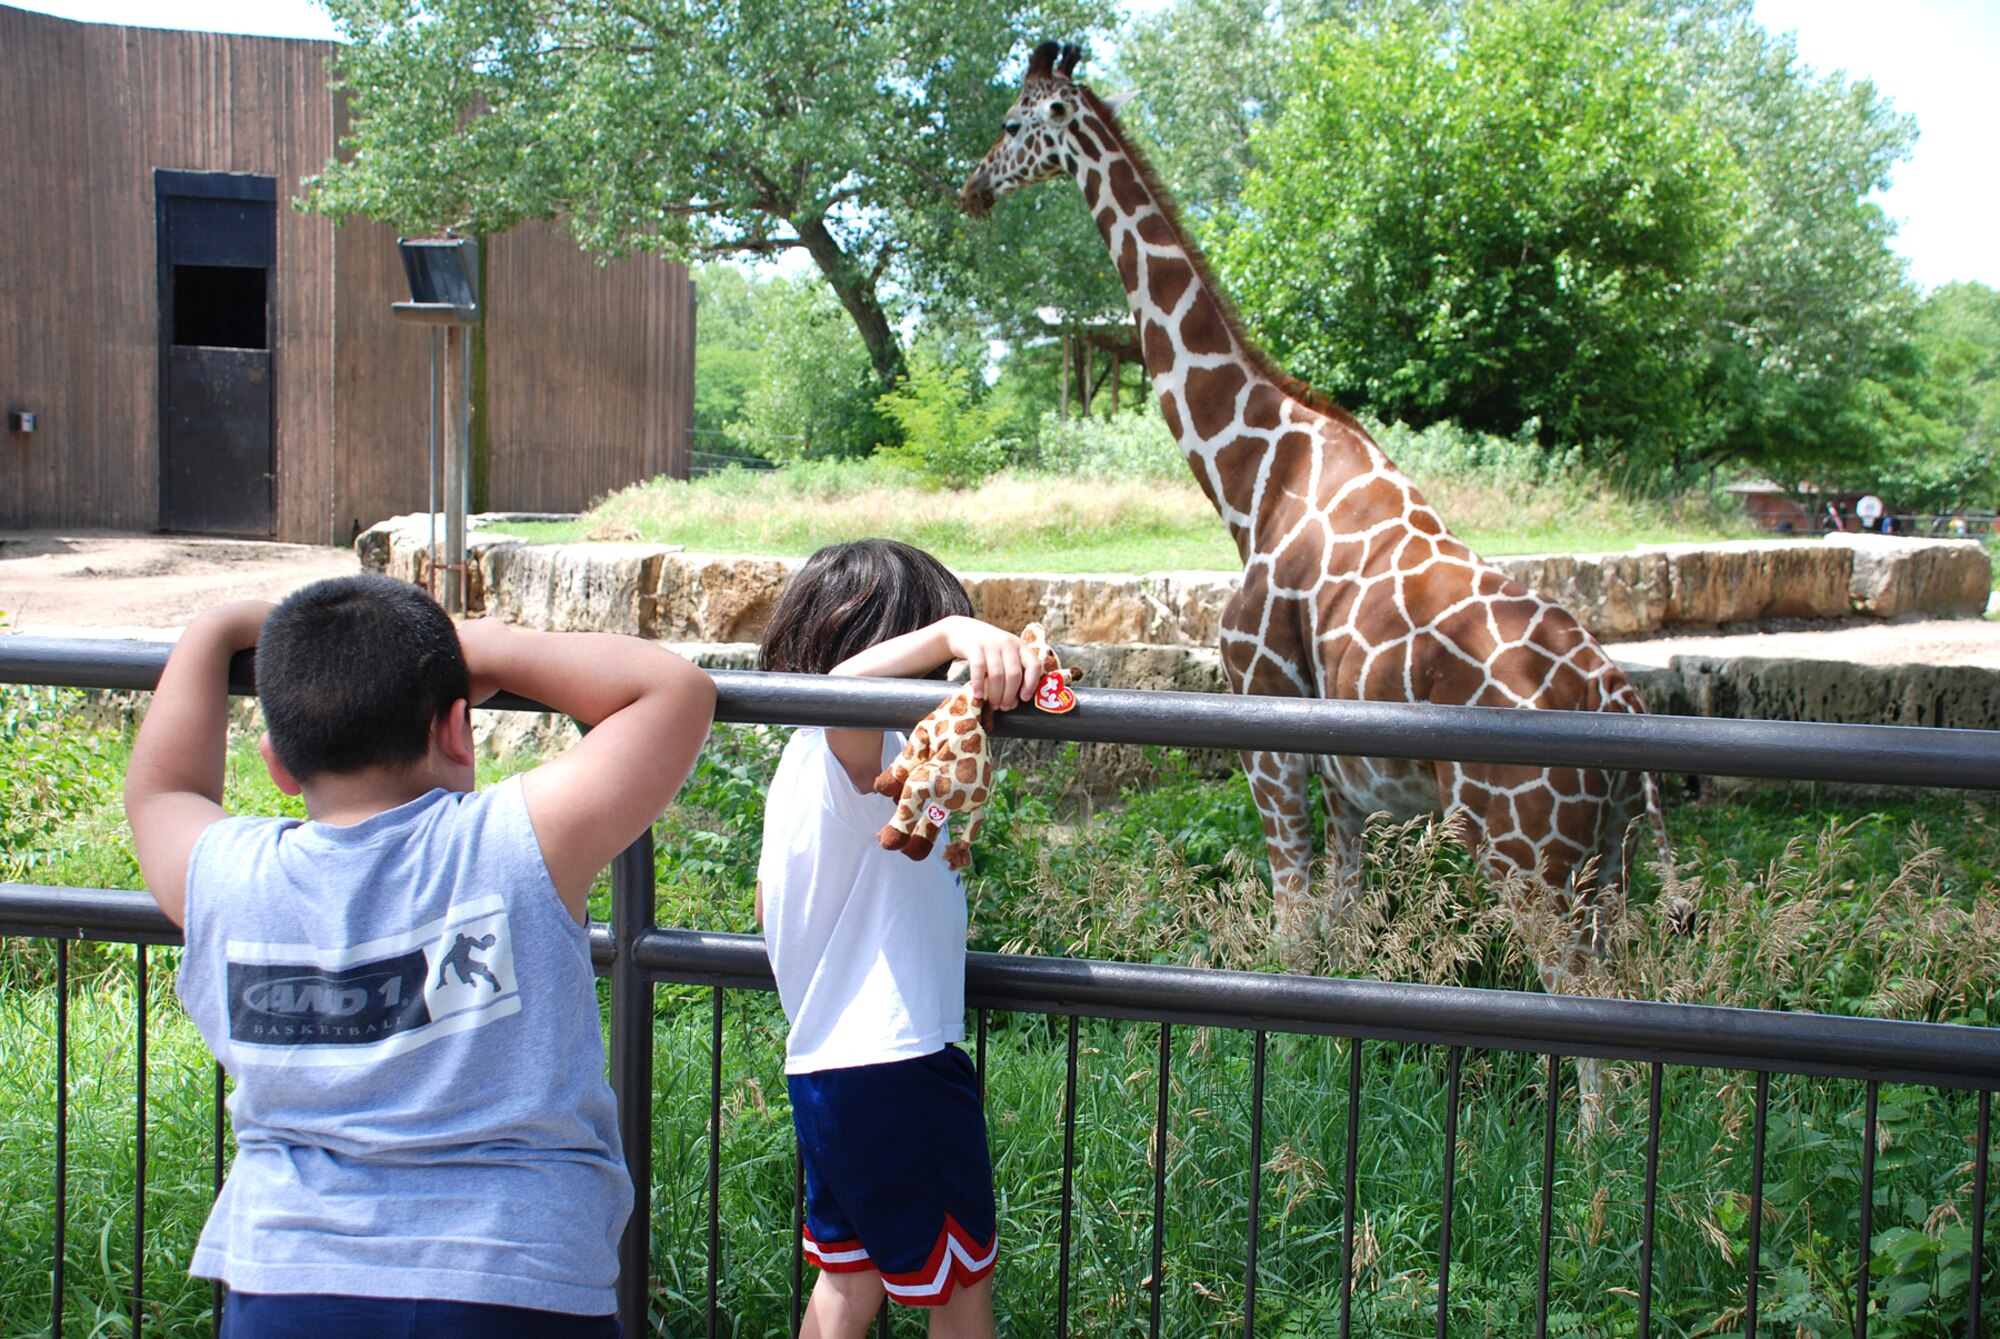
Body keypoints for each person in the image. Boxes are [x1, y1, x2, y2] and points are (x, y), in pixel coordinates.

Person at [124, 575, 715, 1338]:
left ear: (277, 762)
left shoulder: (228, 876)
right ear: (458, 730)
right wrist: (492, 643)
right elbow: (674, 691)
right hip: (515, 1272)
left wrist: (218, 625)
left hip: (288, 1276)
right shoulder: (515, 841)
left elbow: (162, 788)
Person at [754, 539, 1044, 1339]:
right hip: (898, 1064)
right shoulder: (856, 750)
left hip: (827, 1068)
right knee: (959, 1295)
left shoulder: (804, 766)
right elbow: (848, 691)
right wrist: (955, 631)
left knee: (850, 1285)